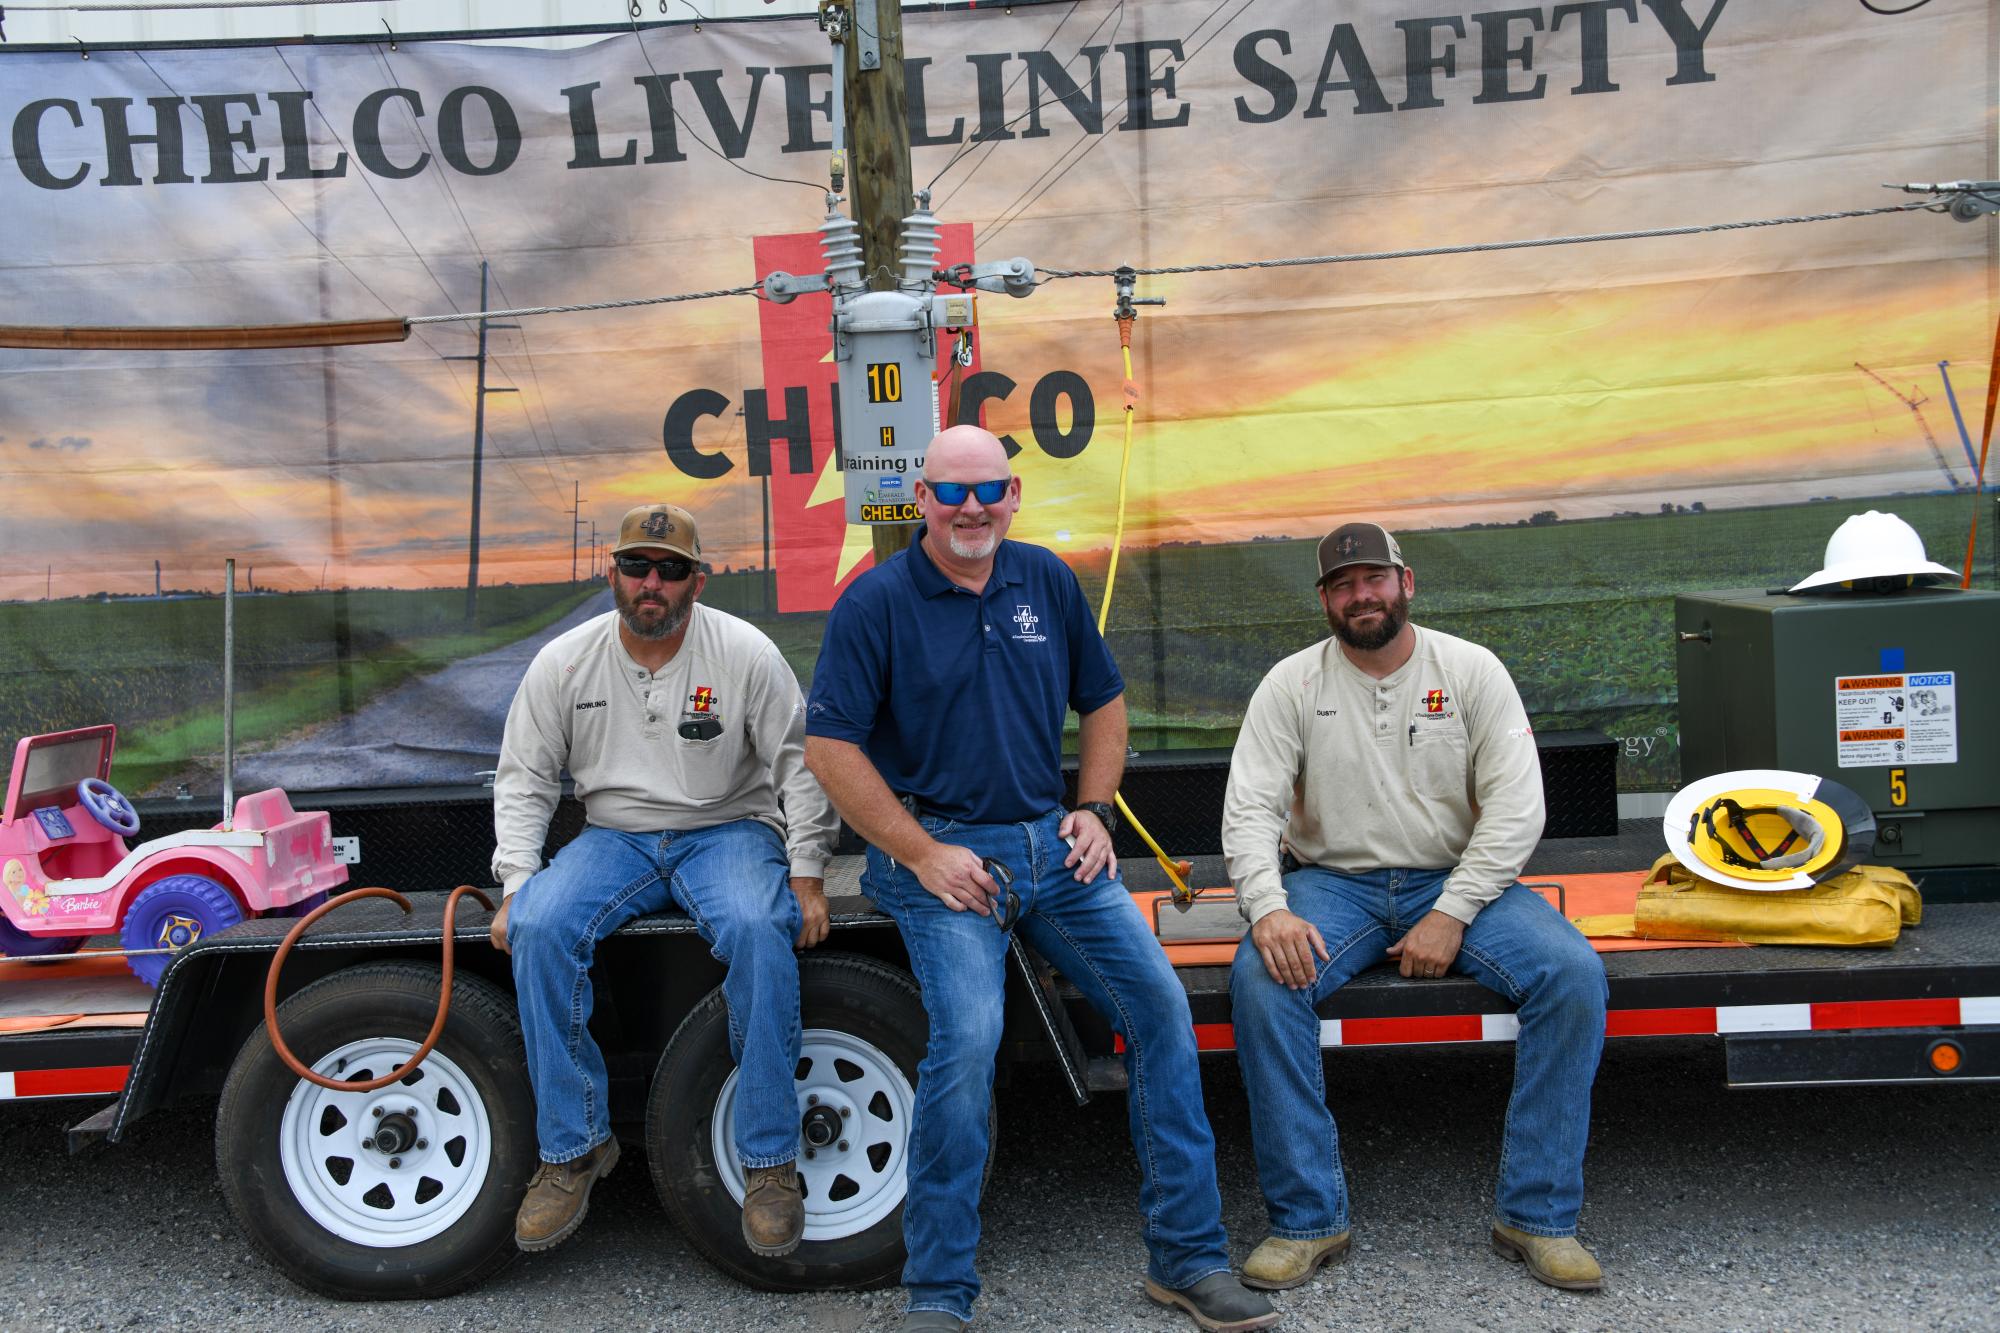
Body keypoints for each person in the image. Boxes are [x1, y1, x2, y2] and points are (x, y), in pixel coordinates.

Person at [804, 425, 1279, 1333]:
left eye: (989, 490)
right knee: (969, 1040)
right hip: (941, 856)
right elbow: (830, 747)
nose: (971, 508)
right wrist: (922, 852)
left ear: (1014, 495)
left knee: (1161, 1009)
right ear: (921, 501)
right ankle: (939, 1291)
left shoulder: (1047, 581)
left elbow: (1103, 701)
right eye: (952, 491)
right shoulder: (876, 603)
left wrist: (1094, 809)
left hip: (1050, 848)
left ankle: (1188, 1259)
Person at [1222, 521, 1609, 1293]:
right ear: (1325, 600)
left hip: (1454, 879)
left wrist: (1453, 910)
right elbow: (1250, 807)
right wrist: (1266, 906)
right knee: (1263, 982)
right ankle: (1307, 1219)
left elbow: (1517, 808)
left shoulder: (1469, 670)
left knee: (1571, 973)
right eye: (1342, 584)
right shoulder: (1292, 683)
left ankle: (1537, 1216)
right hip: (1333, 882)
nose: (1360, 595)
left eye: (1374, 578)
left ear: (1406, 582)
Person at [488, 502, 839, 1258]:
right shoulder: (564, 662)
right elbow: (525, 778)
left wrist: (808, 870)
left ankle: (771, 1162)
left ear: (697, 580)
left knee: (759, 927)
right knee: (539, 926)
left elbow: (800, 763)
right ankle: (575, 1148)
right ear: (612, 572)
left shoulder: (743, 652)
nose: (653, 582)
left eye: (672, 569)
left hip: (729, 828)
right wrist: (517, 882)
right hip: (613, 835)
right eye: (637, 566)